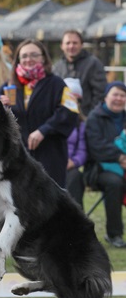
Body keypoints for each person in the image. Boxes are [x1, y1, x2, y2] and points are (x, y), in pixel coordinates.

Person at [0, 38, 78, 187]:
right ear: (18, 60)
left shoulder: (57, 84)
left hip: (50, 155)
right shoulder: (10, 86)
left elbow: (69, 111)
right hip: (18, 157)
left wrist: (44, 130)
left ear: (43, 58)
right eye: (24, 56)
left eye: (34, 55)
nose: (29, 59)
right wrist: (0, 106)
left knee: (50, 203)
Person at [85, 81, 126, 248]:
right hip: (98, 169)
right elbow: (96, 147)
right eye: (115, 94)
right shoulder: (95, 117)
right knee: (115, 182)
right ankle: (114, 234)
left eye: (122, 96)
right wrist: (121, 158)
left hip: (121, 166)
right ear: (106, 97)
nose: (118, 99)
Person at [53, 30, 107, 117]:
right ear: (62, 46)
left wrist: (90, 116)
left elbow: (100, 93)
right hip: (62, 118)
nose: (71, 46)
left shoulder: (93, 63)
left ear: (81, 45)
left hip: (86, 118)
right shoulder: (57, 66)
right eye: (68, 43)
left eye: (75, 43)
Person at [64, 78, 87, 208]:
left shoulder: (80, 124)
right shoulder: (50, 120)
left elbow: (83, 150)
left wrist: (74, 162)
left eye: (75, 100)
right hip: (52, 163)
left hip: (71, 166)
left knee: (75, 177)